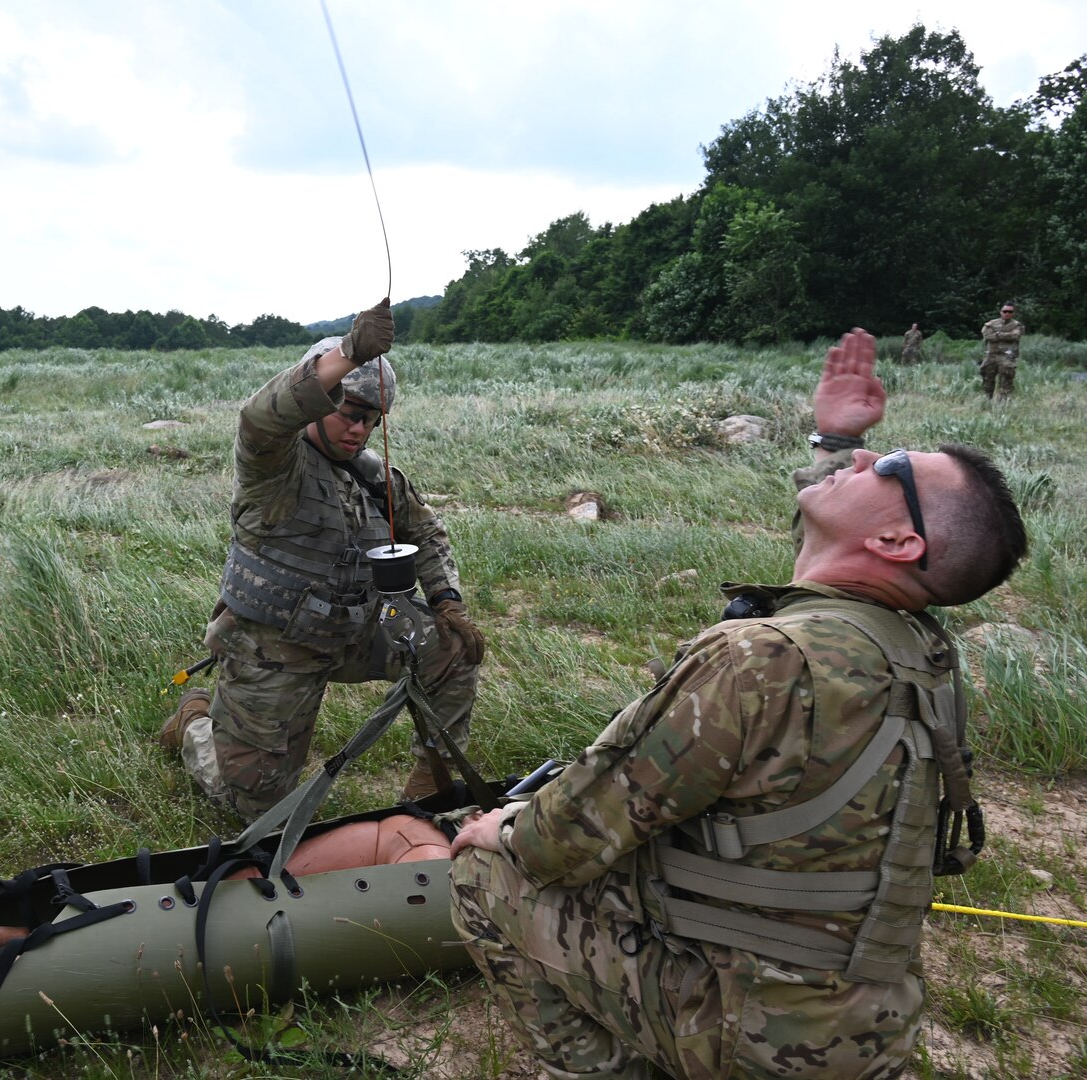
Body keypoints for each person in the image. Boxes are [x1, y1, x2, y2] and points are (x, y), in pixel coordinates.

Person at [450, 327, 1028, 1080]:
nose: (861, 458)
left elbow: (564, 838)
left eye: (885, 465)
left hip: (747, 1034)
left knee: (483, 874)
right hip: (860, 1028)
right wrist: (836, 440)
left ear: (895, 541)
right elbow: (828, 565)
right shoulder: (917, 649)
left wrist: (498, 829)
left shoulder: (759, 660)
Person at [158, 299, 485, 821]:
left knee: (454, 647)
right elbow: (260, 417)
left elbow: (425, 530)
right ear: (318, 405)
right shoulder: (274, 465)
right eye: (347, 414)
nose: (358, 430)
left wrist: (447, 601)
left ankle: (431, 788)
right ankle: (195, 723)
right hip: (274, 647)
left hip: (354, 632)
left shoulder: (374, 475)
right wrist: (350, 353)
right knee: (257, 809)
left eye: (370, 420)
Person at [979, 303, 1024, 400]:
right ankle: (987, 401)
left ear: (1013, 313)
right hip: (991, 355)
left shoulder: (1016, 325)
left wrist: (998, 334)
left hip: (1007, 356)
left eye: (1010, 312)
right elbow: (987, 336)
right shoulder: (991, 324)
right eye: (1005, 311)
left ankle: (1004, 403)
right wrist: (1005, 335)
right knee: (987, 377)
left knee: (1006, 378)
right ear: (1001, 312)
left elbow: (1015, 336)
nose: (1007, 313)